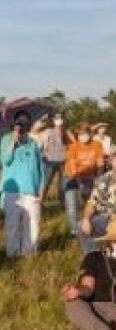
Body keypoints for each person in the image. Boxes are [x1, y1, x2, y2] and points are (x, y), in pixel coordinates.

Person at [2, 110, 45, 257]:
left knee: (32, 225)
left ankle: (29, 254)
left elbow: (40, 168)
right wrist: (13, 142)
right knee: (12, 225)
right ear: (14, 124)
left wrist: (41, 190)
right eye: (19, 122)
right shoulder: (6, 139)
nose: (21, 124)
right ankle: (12, 254)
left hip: (31, 190)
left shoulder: (33, 143)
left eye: (25, 121)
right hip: (12, 191)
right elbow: (5, 160)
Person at [79, 144, 116, 253]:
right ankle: (93, 257)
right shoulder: (103, 179)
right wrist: (86, 219)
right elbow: (92, 202)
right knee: (82, 226)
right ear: (110, 161)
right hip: (106, 218)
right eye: (115, 158)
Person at [63, 123, 105, 238]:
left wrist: (99, 179)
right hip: (71, 177)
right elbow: (72, 166)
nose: (83, 136)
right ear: (77, 135)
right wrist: (79, 183)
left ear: (90, 134)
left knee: (91, 204)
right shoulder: (73, 147)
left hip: (89, 177)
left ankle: (92, 226)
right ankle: (75, 232)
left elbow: (100, 164)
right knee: (72, 205)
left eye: (85, 134)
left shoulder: (97, 145)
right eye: (80, 134)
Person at [41, 112, 69, 203]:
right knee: (46, 183)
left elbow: (71, 143)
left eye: (60, 119)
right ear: (53, 120)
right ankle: (41, 202)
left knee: (63, 184)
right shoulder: (48, 131)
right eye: (56, 119)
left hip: (63, 160)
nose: (59, 121)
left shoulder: (66, 132)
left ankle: (62, 202)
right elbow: (43, 144)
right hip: (50, 160)